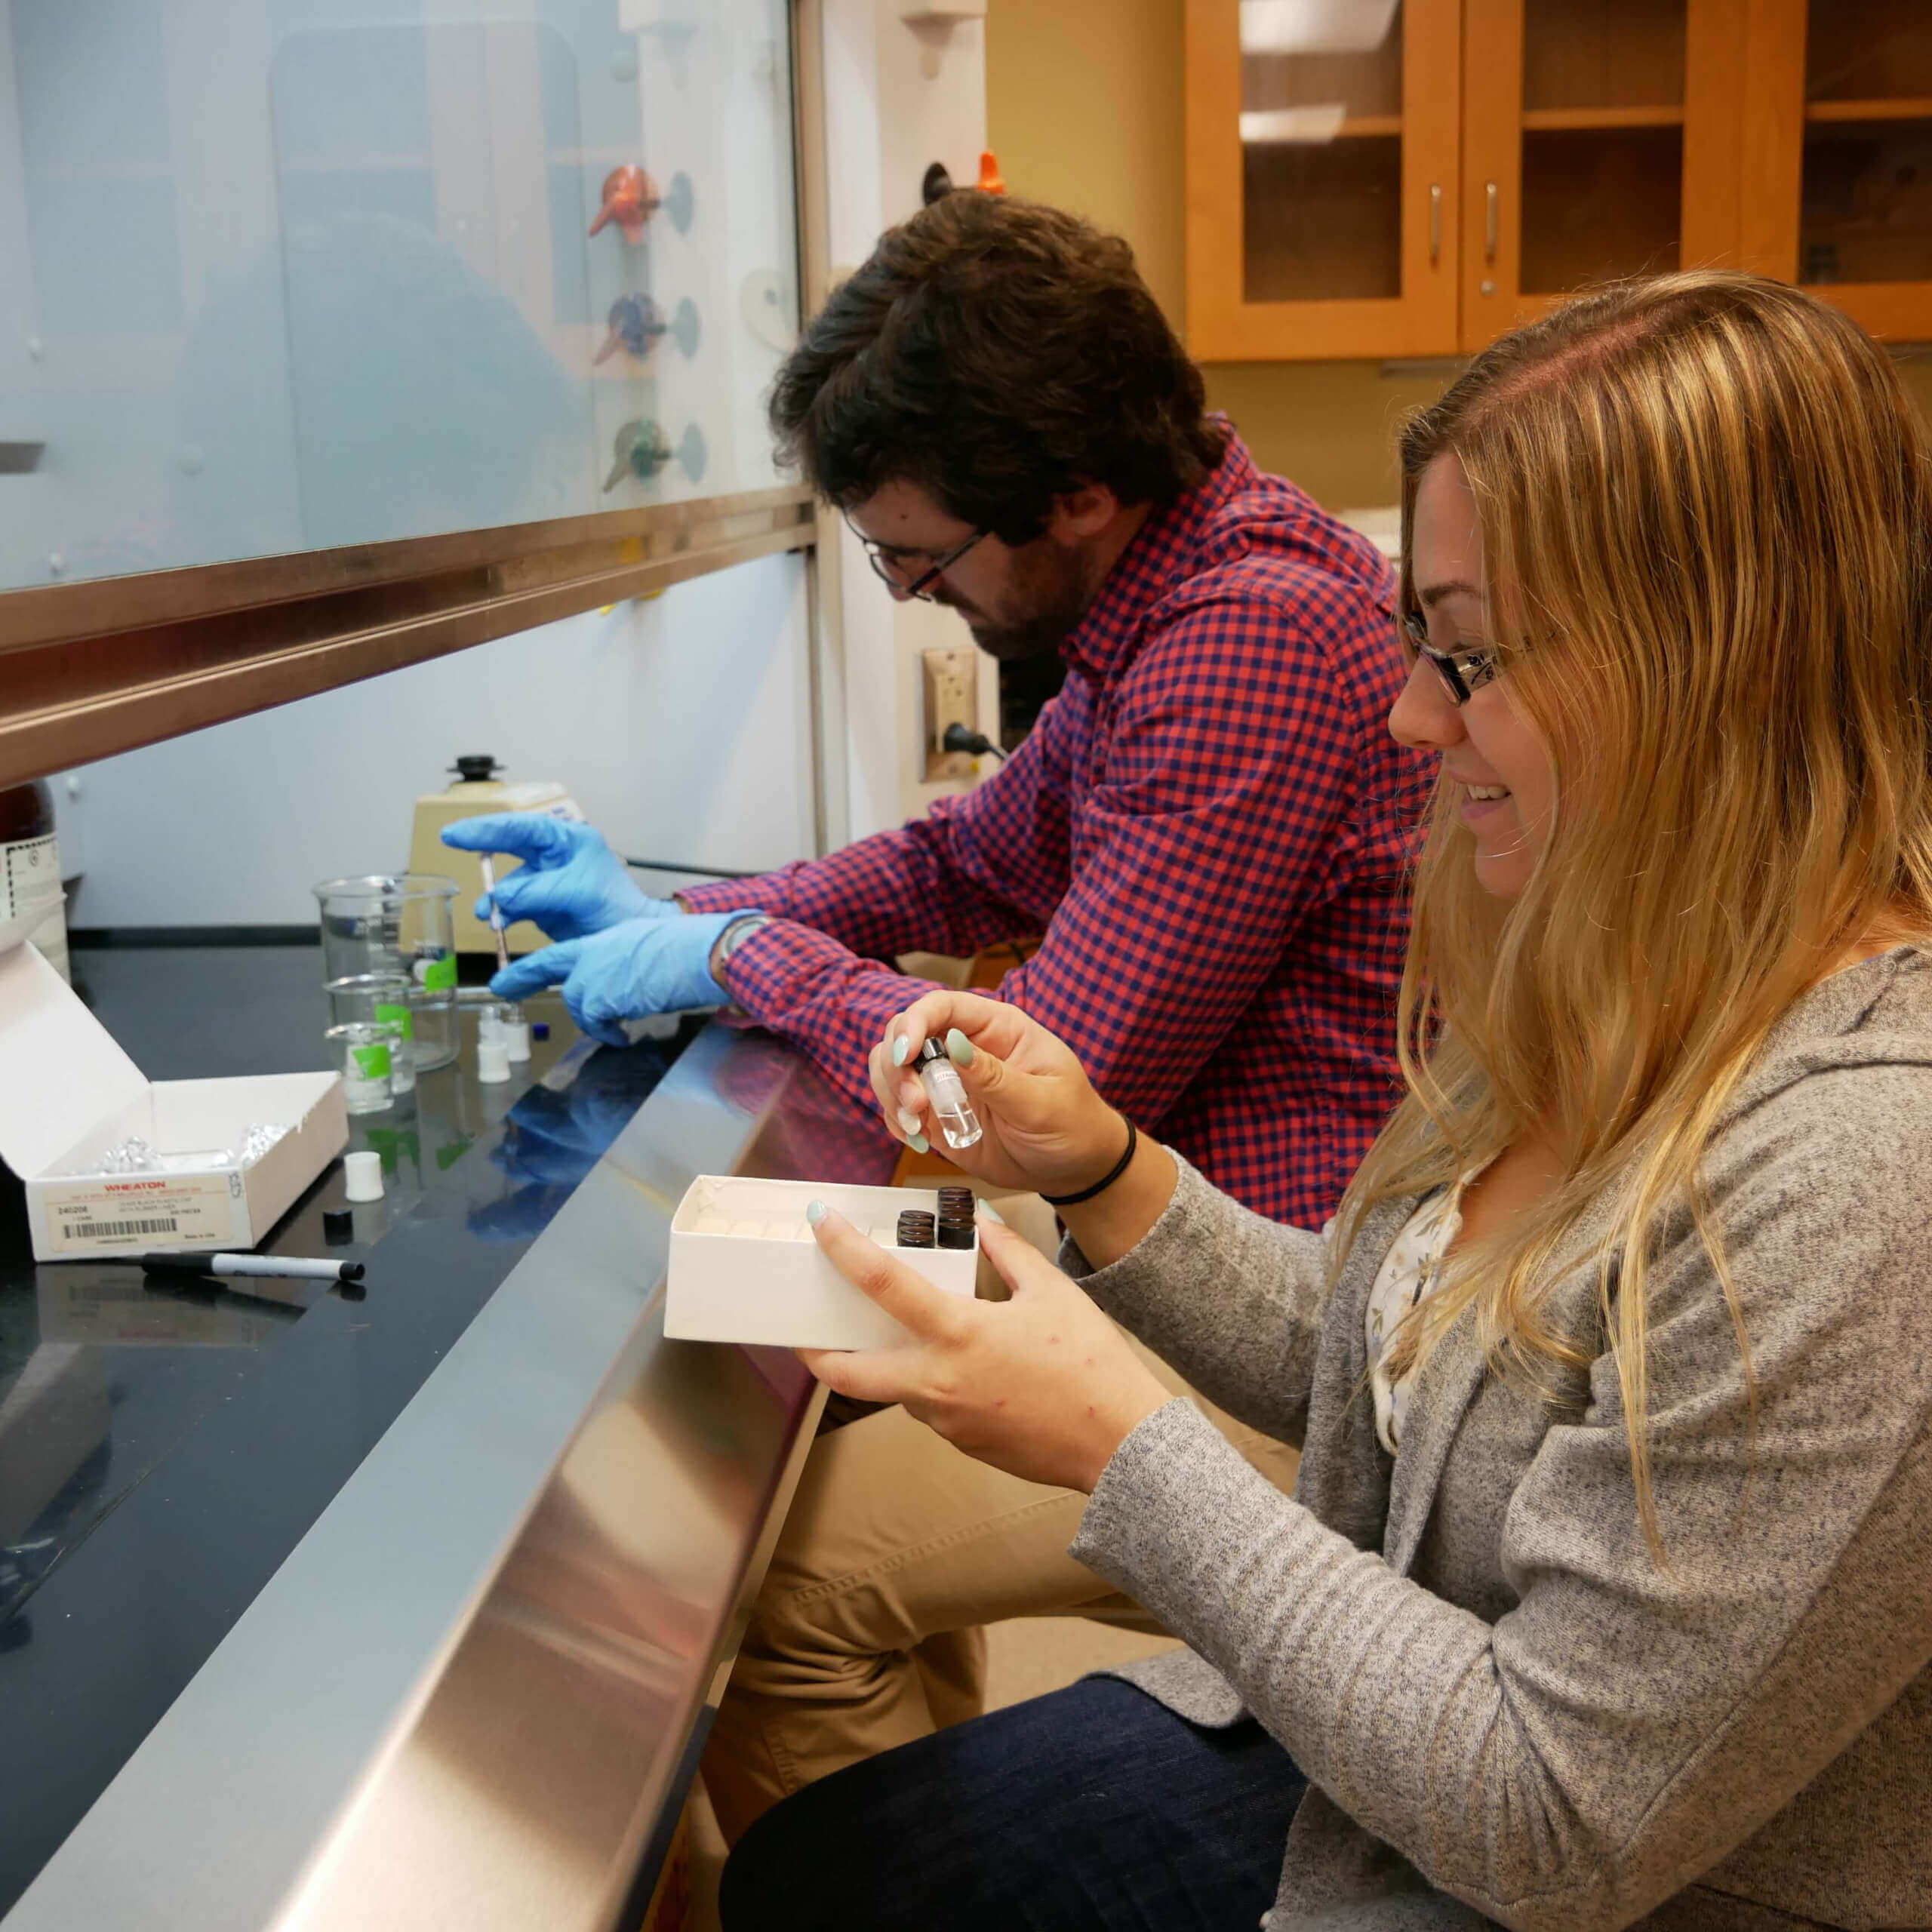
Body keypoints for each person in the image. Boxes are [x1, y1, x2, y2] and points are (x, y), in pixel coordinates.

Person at [715, 272, 1932, 1931]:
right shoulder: (1605, 964)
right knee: (818, 1870)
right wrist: (1105, 1172)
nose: (1411, 713)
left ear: (1715, 668)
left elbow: (1550, 1819)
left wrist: (1119, 1440)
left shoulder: (1861, 1167)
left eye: (1471, 657)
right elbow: (1395, 1363)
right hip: (1391, 1750)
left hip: (1540, 1857)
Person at [441, 192, 1425, 1233]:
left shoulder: (1251, 639)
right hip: (1200, 1259)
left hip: (1296, 1303)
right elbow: (963, 866)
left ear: (1080, 496)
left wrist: (736, 953)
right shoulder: (1160, 601)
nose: (911, 592)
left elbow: (1035, 1090)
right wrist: (671, 922)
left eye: (923, 555)